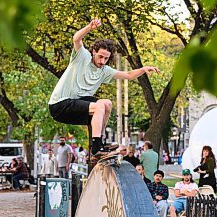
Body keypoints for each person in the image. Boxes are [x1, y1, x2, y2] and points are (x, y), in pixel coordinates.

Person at [48, 19, 160, 157]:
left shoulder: (105, 70)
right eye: (100, 56)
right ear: (94, 52)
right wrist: (89, 27)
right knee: (99, 106)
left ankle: (99, 143)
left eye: (106, 58)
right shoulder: (82, 57)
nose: (102, 61)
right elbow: (76, 39)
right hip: (60, 105)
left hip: (76, 104)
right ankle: (96, 147)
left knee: (107, 103)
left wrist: (143, 69)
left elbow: (128, 75)